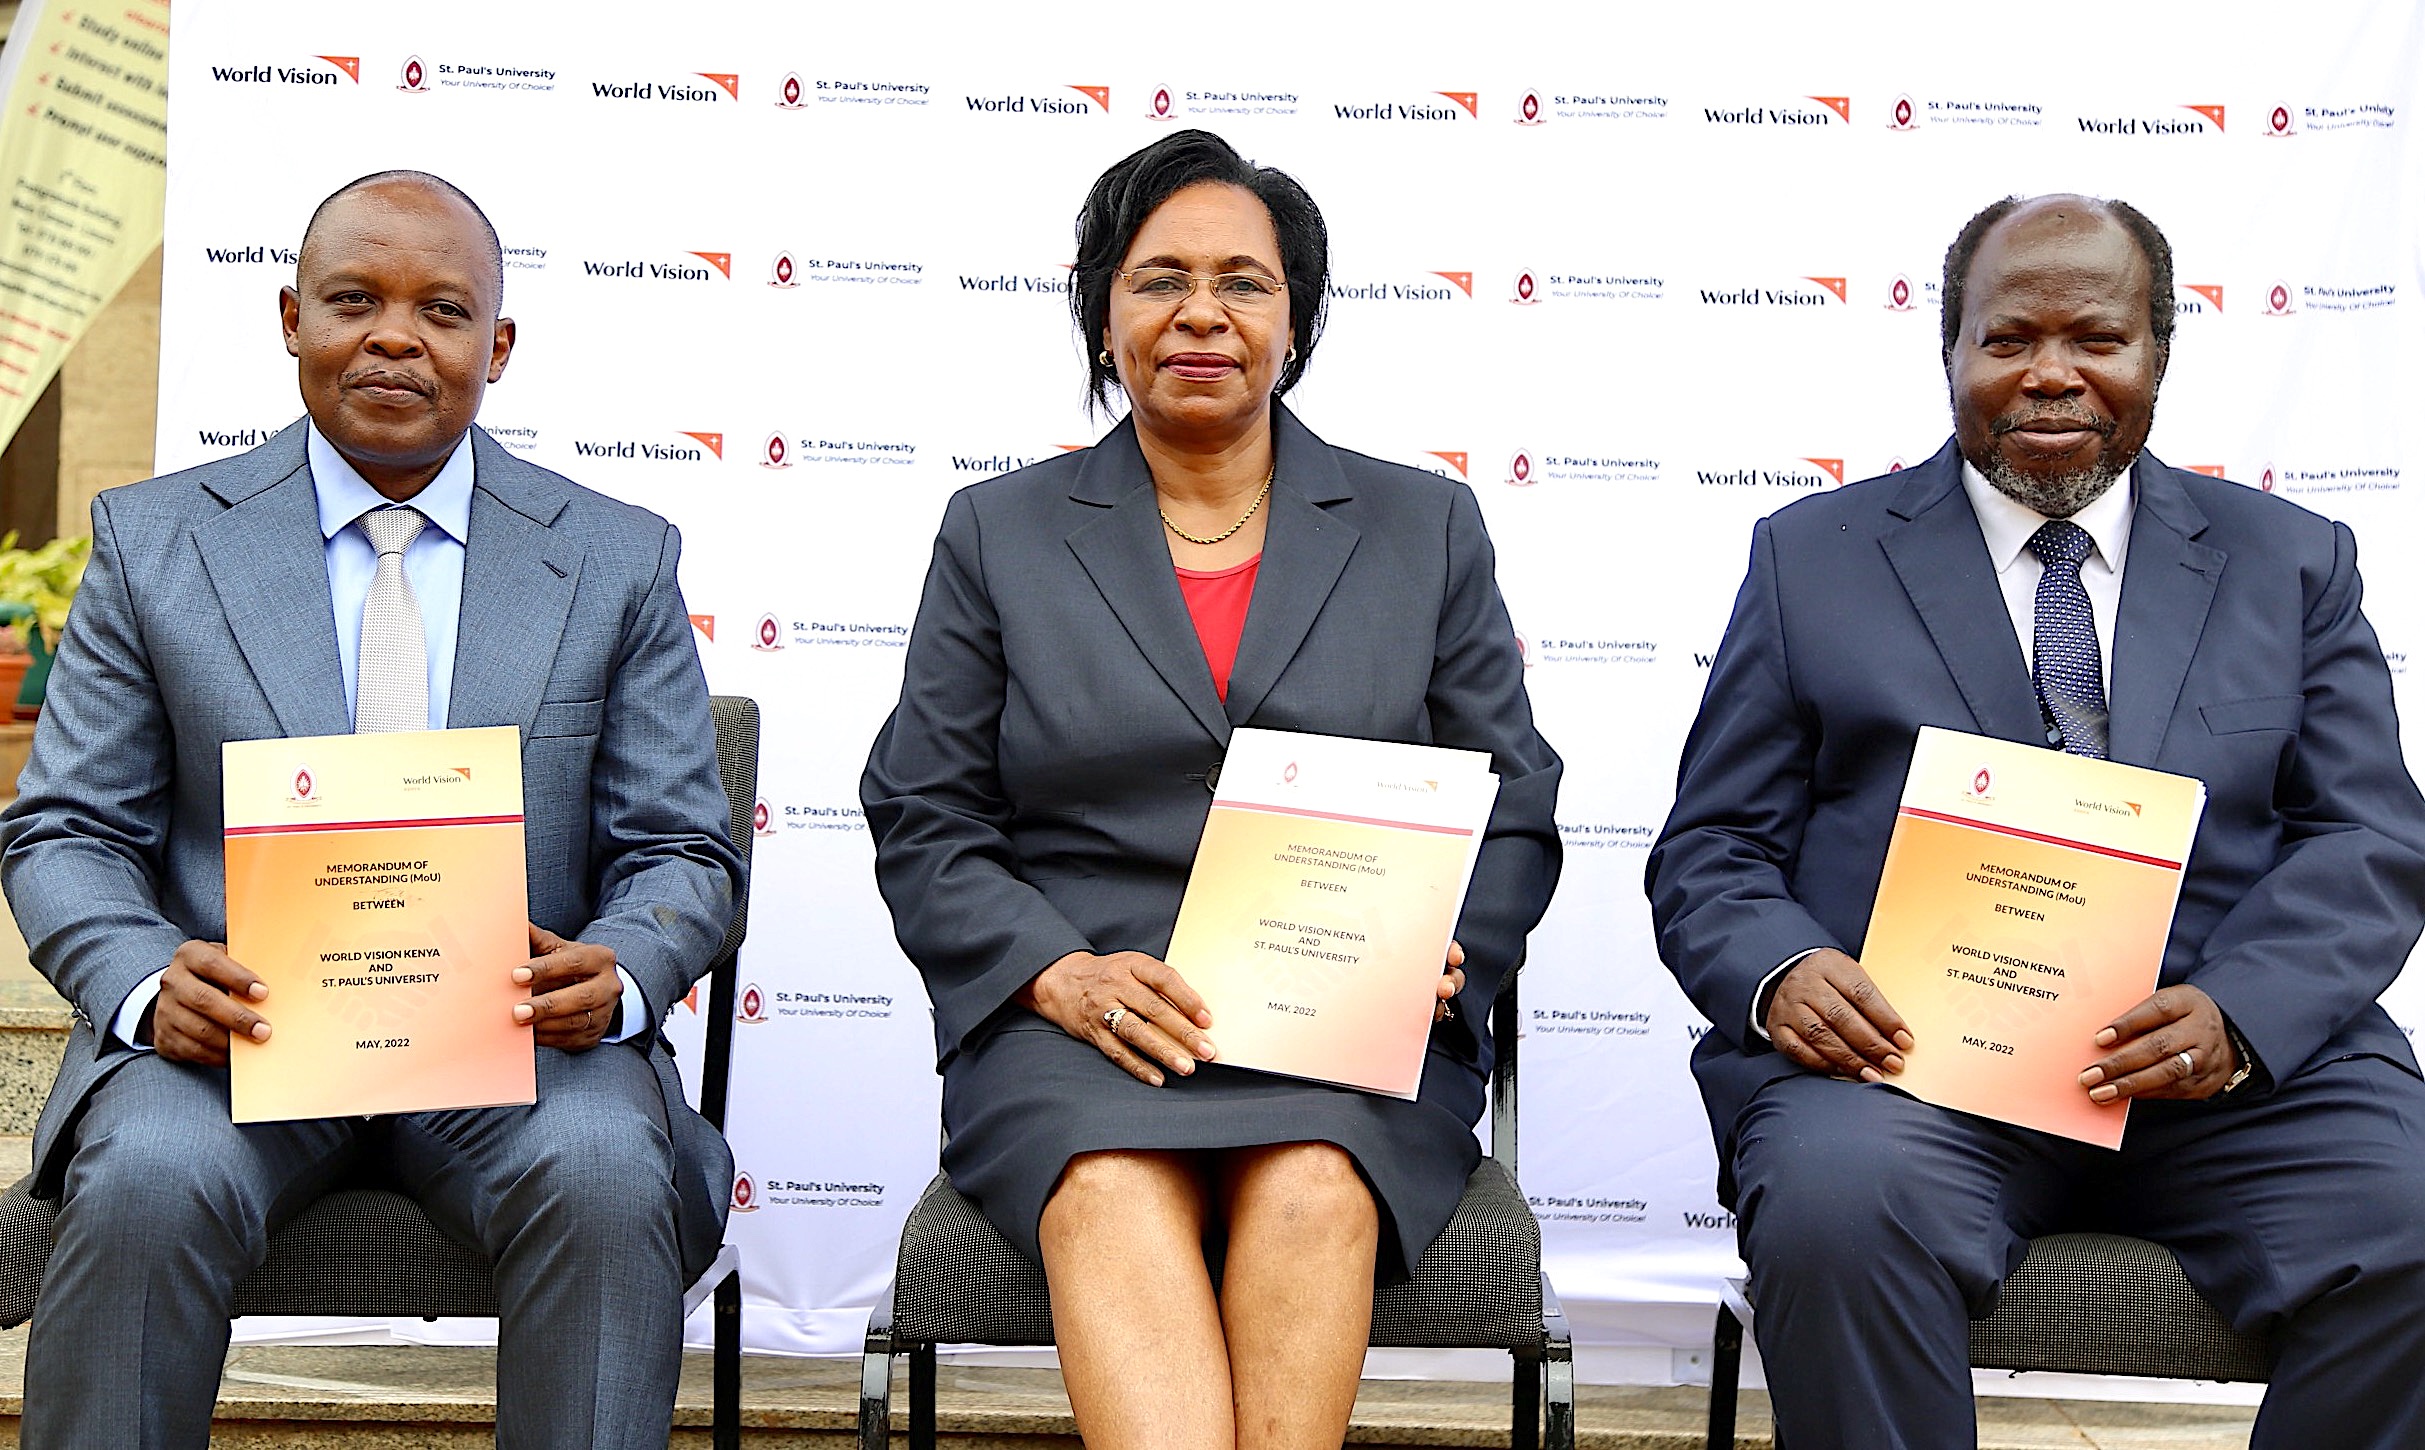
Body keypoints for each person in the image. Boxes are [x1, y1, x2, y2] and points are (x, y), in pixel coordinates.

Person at [1647, 192, 2425, 1448]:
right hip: (1908, 1072)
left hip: (2221, 1072)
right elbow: (1712, 848)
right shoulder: (1813, 558)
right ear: (1949, 351)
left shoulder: (2289, 559)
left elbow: (2367, 839)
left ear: (2156, 353)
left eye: (2096, 339)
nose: (2050, 374)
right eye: (2007, 338)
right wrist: (1783, 970)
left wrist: (2238, 1017)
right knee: (1838, 1209)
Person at [0, 170, 743, 1450]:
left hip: (517, 1053)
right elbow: (65, 828)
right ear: (290, 316)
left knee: (607, 1172)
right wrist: (138, 981)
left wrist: (622, 966)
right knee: (148, 1180)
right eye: (354, 298)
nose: (395, 335)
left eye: (443, 309)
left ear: (496, 347)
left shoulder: (617, 558)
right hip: (233, 1048)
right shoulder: (154, 541)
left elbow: (679, 846)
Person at [862, 129, 1561, 1450]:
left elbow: (1510, 792)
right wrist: (1052, 972)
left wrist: (1450, 945)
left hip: (1344, 1029)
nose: (1201, 311)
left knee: (1313, 1182)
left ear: (1294, 321)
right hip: (1083, 1025)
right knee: (1110, 1180)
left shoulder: (1425, 526)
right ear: (1102, 310)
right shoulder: (996, 532)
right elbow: (926, 810)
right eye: (1158, 277)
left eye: (1243, 281)